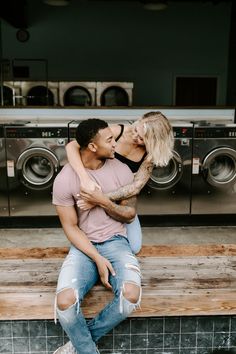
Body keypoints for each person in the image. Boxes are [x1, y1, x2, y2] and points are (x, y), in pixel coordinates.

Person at [52, 118, 142, 354]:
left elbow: (129, 215)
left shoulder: (122, 170)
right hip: (84, 247)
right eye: (110, 140)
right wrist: (96, 257)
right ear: (92, 146)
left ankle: (79, 345)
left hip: (116, 242)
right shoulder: (64, 179)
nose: (115, 145)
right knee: (64, 302)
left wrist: (102, 200)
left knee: (131, 295)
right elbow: (71, 228)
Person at [66, 111, 174, 254]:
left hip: (120, 199)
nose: (135, 137)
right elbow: (72, 146)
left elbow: (135, 187)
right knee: (87, 242)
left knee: (134, 247)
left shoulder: (149, 154)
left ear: (153, 142)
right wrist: (84, 179)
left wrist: (99, 199)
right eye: (136, 130)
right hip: (93, 188)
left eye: (142, 138)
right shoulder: (118, 131)